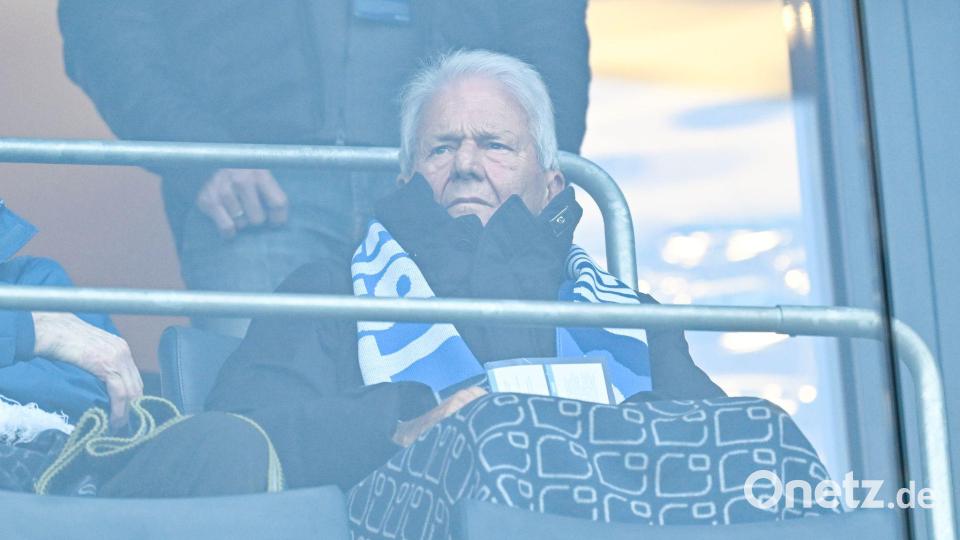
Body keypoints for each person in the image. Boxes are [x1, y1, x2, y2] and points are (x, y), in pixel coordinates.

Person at [73, 51, 835, 538]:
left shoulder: (629, 318)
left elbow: (719, 443)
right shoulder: (331, 292)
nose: (467, 164)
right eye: (442, 147)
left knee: (769, 437)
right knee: (497, 431)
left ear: (552, 183)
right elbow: (246, 432)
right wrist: (403, 426)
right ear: (407, 178)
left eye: (495, 145)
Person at [56, 0, 592, 337]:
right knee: (259, 415)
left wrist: (526, 168)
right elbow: (106, 23)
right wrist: (198, 153)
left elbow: (550, 29)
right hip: (258, 189)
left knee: (470, 399)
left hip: (445, 184)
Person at [0, 199, 142, 491]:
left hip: (48, 485)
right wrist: (29, 330)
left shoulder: (33, 278)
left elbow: (89, 400)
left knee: (223, 439)